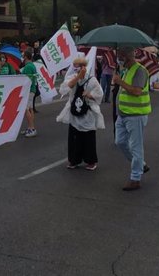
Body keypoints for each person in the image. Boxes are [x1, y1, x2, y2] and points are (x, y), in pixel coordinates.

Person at [112, 46, 151, 191]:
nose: (119, 58)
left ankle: (135, 178)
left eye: (121, 55)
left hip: (135, 115)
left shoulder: (139, 70)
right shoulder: (126, 70)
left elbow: (137, 91)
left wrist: (119, 82)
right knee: (120, 142)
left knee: (136, 147)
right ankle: (141, 165)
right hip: (123, 114)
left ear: (127, 57)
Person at [57, 53, 104, 170]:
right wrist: (78, 77)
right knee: (73, 137)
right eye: (73, 66)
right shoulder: (72, 77)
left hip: (87, 113)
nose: (74, 68)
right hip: (74, 112)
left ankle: (91, 161)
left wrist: (90, 95)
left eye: (76, 66)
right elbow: (64, 88)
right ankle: (74, 160)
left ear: (83, 66)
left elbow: (99, 95)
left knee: (88, 138)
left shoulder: (92, 80)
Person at [19, 49, 38, 138]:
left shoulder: (28, 66)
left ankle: (32, 128)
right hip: (32, 89)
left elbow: (27, 79)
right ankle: (30, 127)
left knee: (25, 109)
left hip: (29, 90)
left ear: (26, 57)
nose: (22, 57)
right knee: (30, 109)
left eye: (23, 56)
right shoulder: (32, 65)